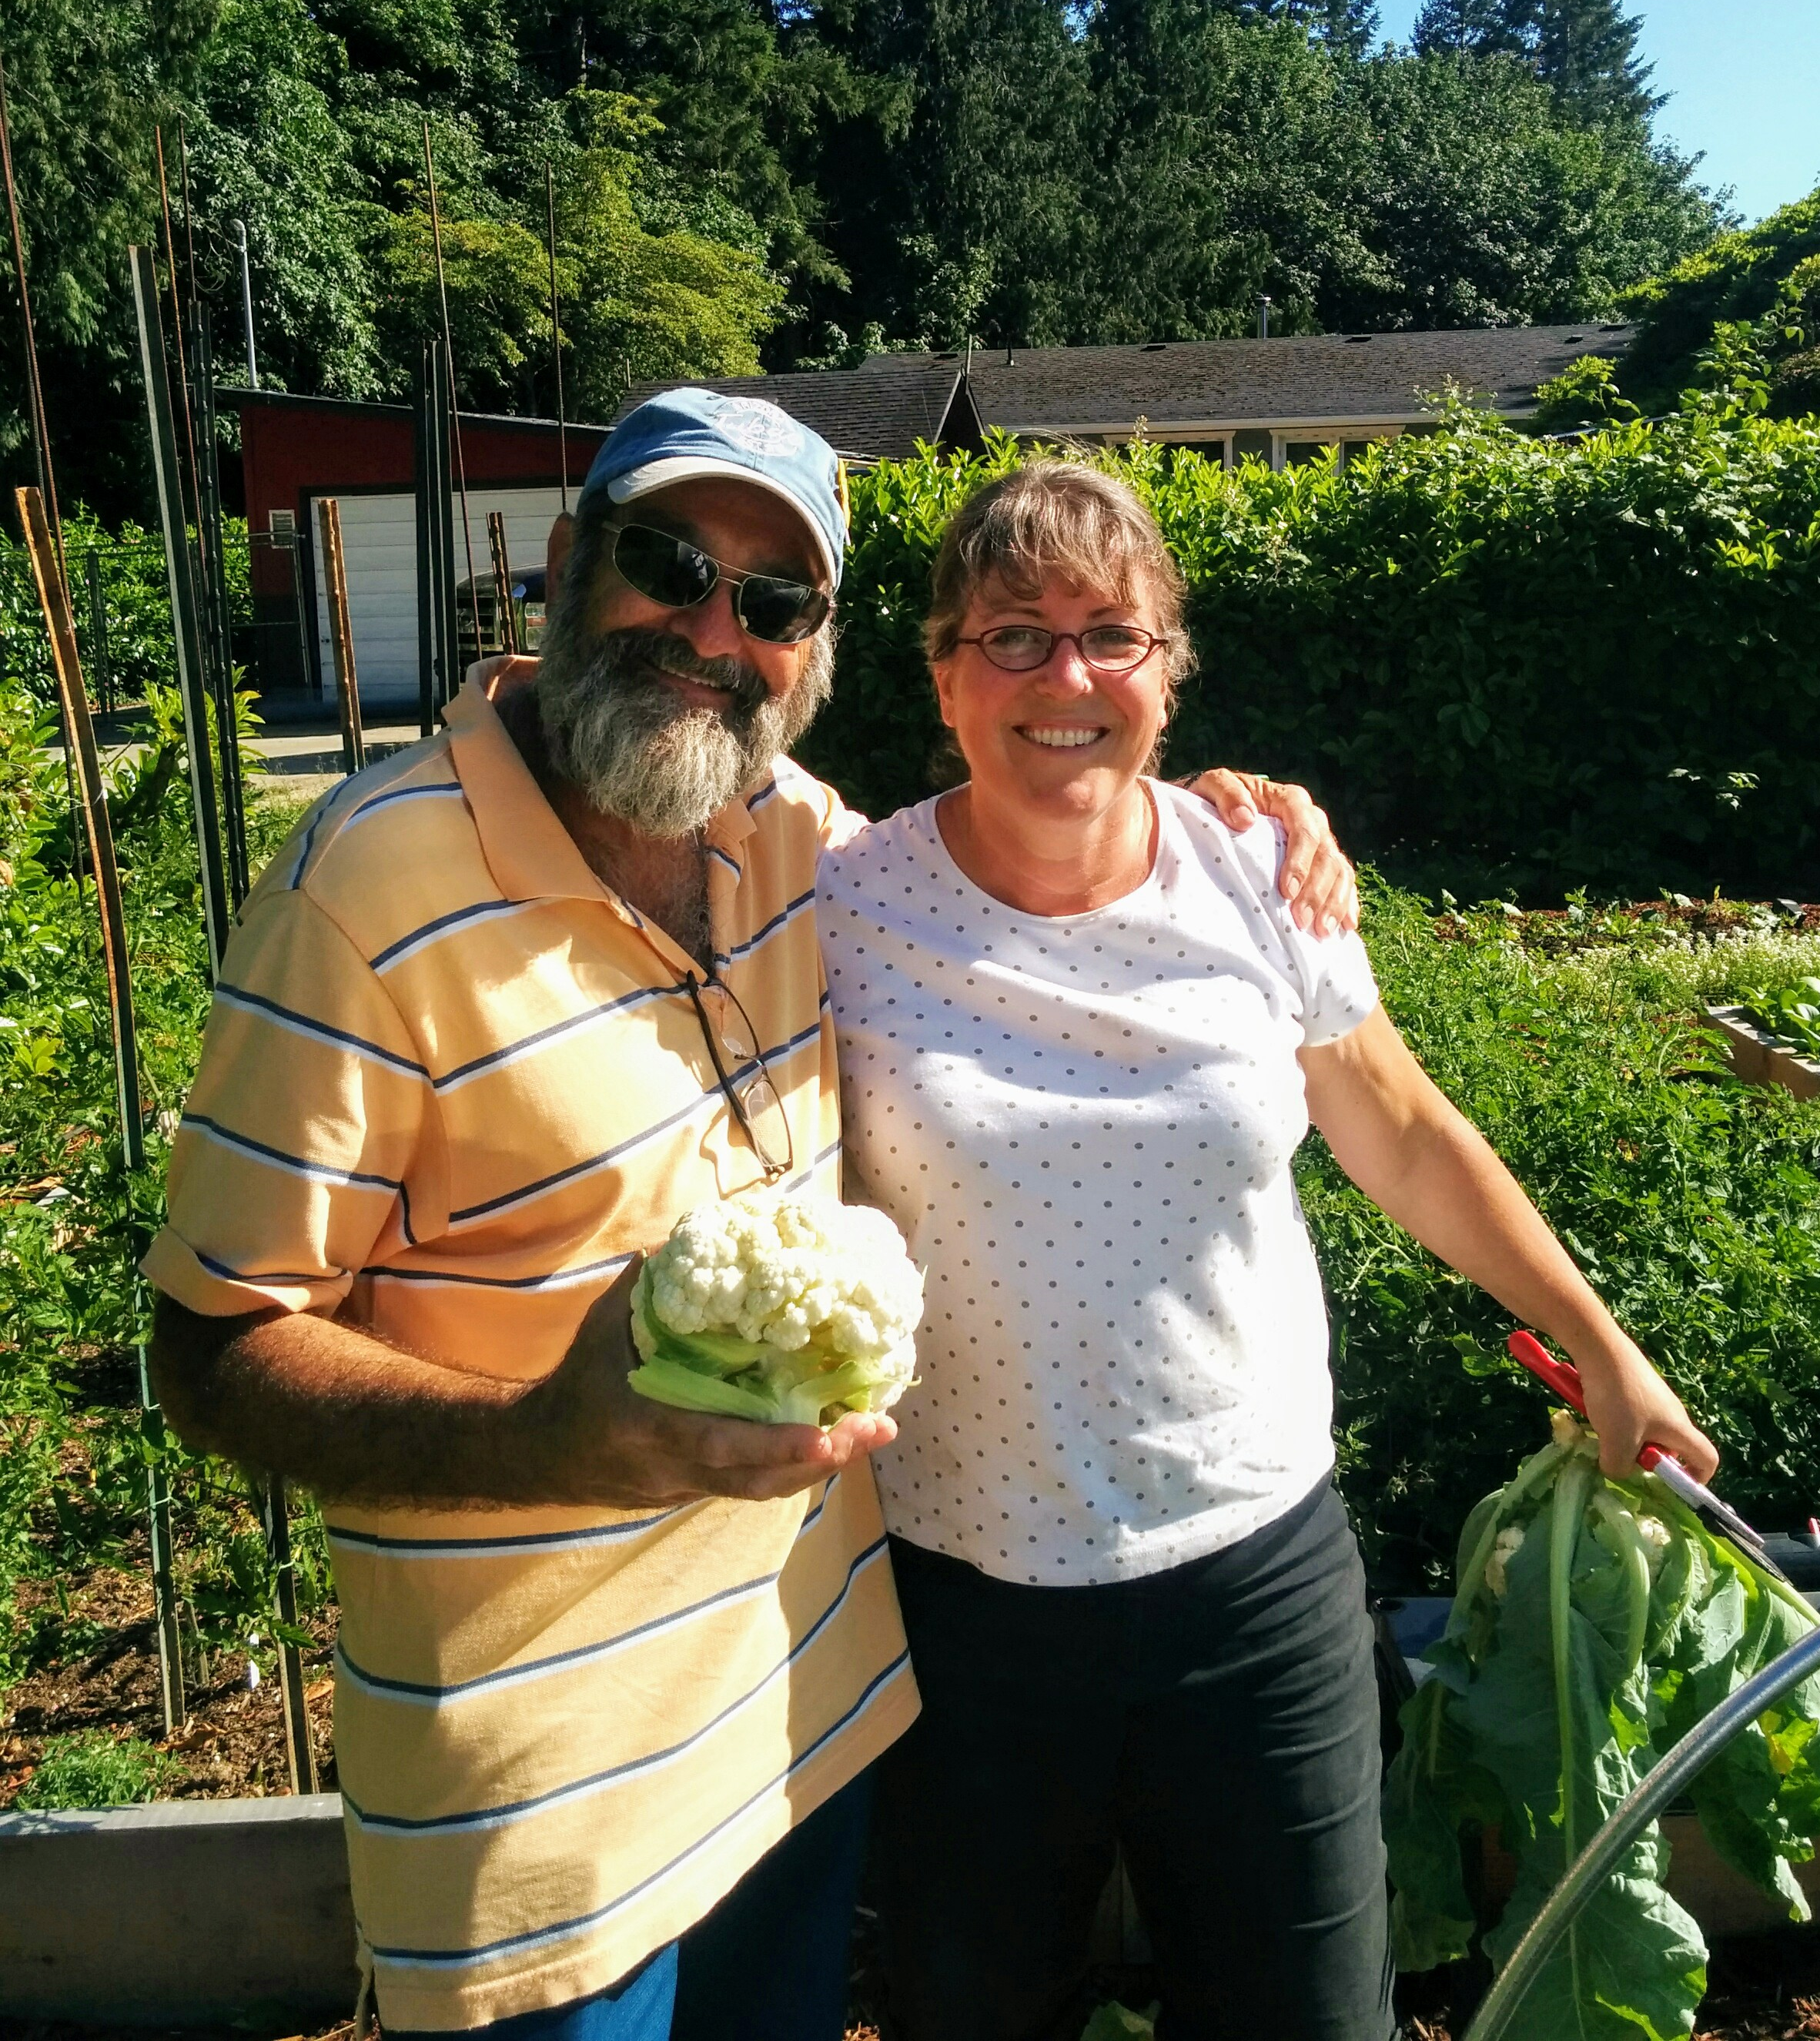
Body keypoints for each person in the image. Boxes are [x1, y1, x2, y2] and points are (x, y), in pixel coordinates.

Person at [146, 392, 1354, 2041]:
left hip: (802, 1744)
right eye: (669, 565)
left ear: (820, 651)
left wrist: (1237, 817)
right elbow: (213, 1350)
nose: (714, 631)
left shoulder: (794, 846)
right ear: (568, 565)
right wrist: (551, 1441)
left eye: (774, 601)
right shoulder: (365, 889)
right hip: (543, 1827)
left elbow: (1045, 818)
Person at [816, 459, 1719, 2041]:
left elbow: (1407, 1132)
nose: (1069, 678)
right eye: (1015, 636)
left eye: (1115, 633)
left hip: (1255, 1594)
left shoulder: (1257, 871)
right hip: (965, 1606)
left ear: (1167, 673)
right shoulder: (839, 914)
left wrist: (1598, 1341)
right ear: (944, 672)